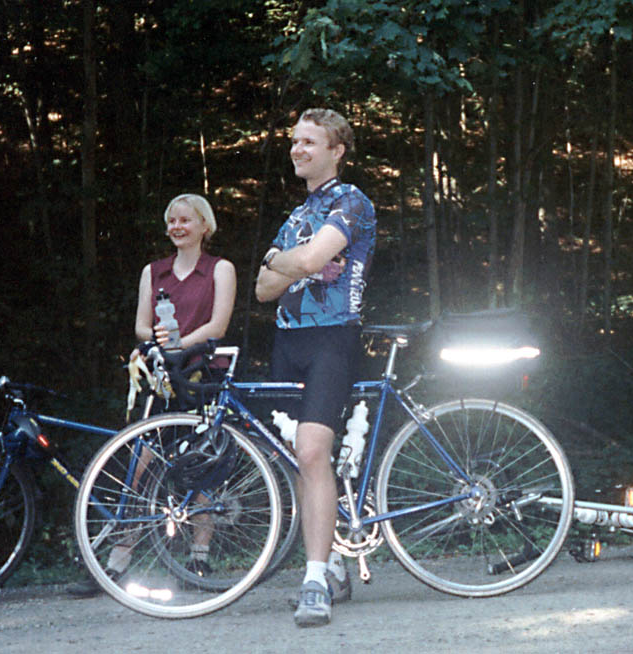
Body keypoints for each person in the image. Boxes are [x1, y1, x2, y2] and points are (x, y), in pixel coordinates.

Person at [68, 193, 236, 597]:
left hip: (202, 375)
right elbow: (143, 327)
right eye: (172, 221)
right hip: (163, 378)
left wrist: (181, 346)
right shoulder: (153, 271)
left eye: (186, 220)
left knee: (201, 466)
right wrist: (161, 344)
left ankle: (198, 558)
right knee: (141, 468)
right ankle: (115, 562)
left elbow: (219, 326)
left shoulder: (220, 268)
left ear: (204, 226)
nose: (178, 227)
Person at [255, 108, 375, 627]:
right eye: (294, 141)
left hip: (333, 338)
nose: (297, 148)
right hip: (288, 340)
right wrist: (290, 261)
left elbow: (297, 265)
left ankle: (314, 581)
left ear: (337, 150)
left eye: (309, 141)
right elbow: (262, 290)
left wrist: (280, 259)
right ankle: (331, 567)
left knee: (312, 449)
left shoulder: (350, 201)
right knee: (299, 459)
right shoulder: (296, 216)